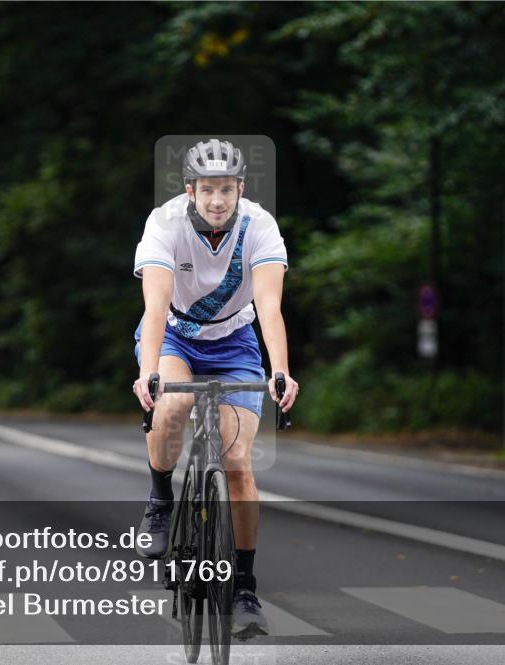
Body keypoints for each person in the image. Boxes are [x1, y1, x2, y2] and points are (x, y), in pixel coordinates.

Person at [131, 139, 299, 637]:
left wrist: (281, 370)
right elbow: (156, 306)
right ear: (191, 190)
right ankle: (160, 501)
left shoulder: (259, 227)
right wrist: (148, 373)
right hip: (175, 337)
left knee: (238, 463)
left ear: (240, 189)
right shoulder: (164, 225)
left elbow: (269, 306)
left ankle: (244, 587)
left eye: (227, 189)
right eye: (208, 190)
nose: (218, 200)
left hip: (235, 343)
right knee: (174, 405)